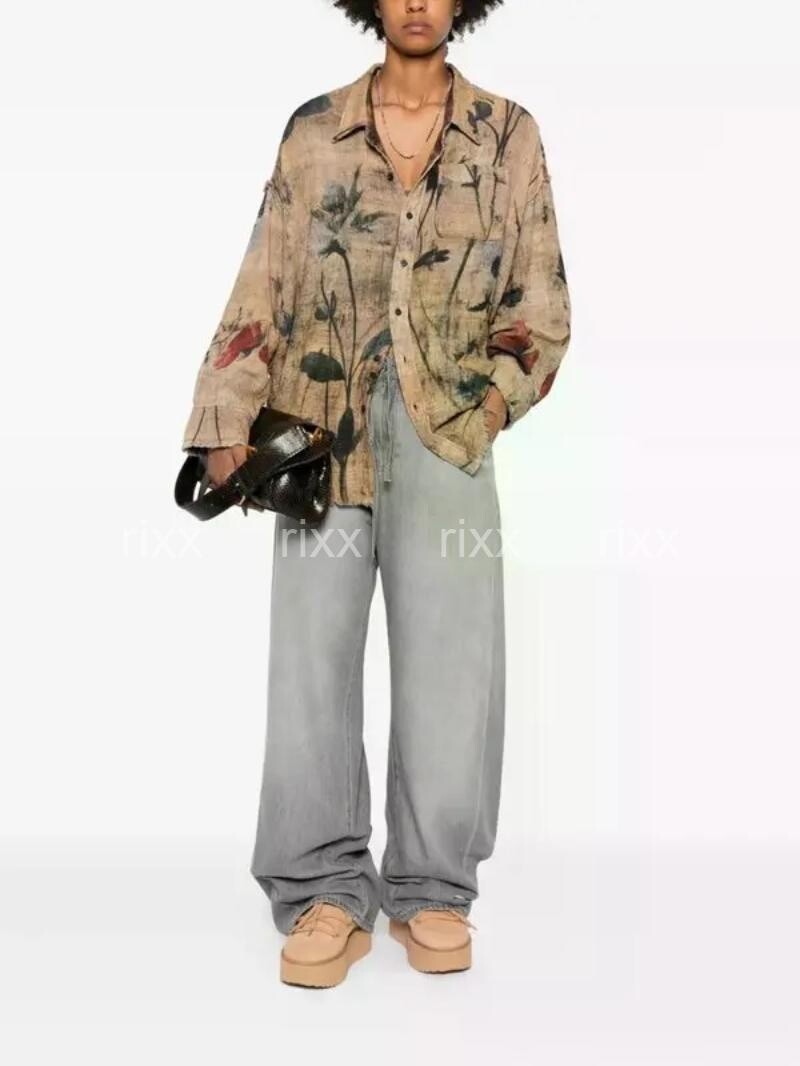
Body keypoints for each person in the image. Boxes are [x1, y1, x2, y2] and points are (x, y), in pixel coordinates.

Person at [180, 0, 571, 988]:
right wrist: (224, 414)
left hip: (447, 433)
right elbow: (263, 280)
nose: (416, 1)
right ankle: (322, 886)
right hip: (317, 435)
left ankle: (433, 887)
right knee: (308, 668)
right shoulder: (314, 131)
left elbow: (540, 303)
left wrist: (486, 410)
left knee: (451, 669)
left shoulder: (508, 135)